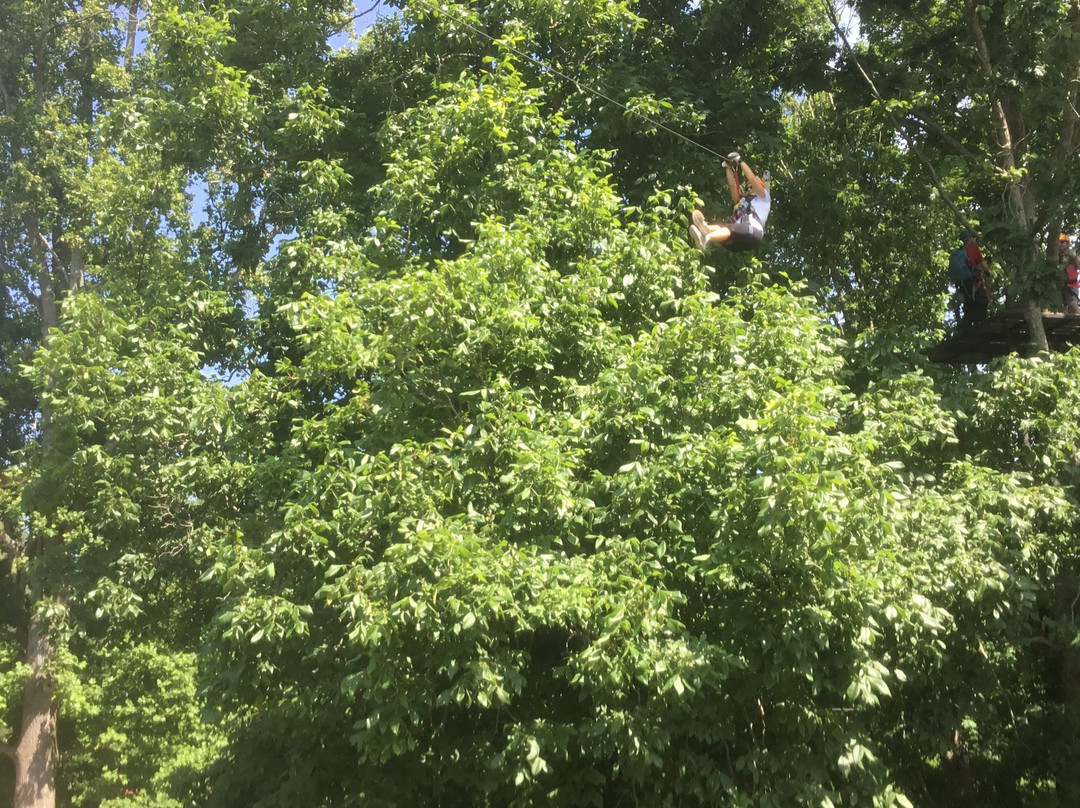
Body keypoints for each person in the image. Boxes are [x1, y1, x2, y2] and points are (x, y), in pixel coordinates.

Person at [689, 151, 771, 253]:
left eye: (753, 187)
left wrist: (740, 161)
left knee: (729, 229)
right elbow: (732, 185)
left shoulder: (764, 199)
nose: (750, 188)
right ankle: (705, 229)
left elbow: (752, 179)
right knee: (722, 228)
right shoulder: (742, 201)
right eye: (748, 187)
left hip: (754, 232)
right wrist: (728, 166)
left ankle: (706, 239)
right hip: (738, 240)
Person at [947, 229, 990, 327]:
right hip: (974, 283)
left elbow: (973, 265)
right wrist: (988, 269)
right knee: (982, 302)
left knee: (969, 307)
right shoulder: (974, 248)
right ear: (970, 238)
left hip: (963, 285)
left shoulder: (961, 252)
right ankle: (981, 328)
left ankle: (963, 330)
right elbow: (985, 267)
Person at [1061, 233, 1079, 315]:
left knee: (1073, 307)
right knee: (1060, 309)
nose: (1060, 244)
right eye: (1059, 242)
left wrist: (1074, 257)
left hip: (1071, 284)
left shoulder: (1072, 253)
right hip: (1060, 285)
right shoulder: (1055, 255)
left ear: (1067, 244)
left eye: (1062, 242)